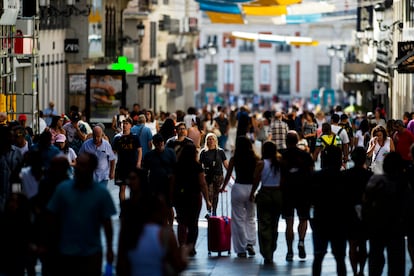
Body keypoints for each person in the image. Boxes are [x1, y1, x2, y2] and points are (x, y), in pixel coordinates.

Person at [47, 152, 116, 276]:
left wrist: (110, 248)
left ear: (92, 168)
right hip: (66, 252)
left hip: (91, 253)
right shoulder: (63, 189)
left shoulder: (101, 193)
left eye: (83, 165)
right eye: (78, 164)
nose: (78, 168)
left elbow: (107, 223)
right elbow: (51, 218)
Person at [117, 170, 188, 276]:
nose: (130, 182)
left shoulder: (154, 201)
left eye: (133, 178)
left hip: (153, 241)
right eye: (129, 179)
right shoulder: (127, 206)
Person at [363, 152, 408, 276]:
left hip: (376, 226)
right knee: (397, 262)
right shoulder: (404, 183)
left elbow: (366, 202)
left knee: (375, 260)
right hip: (397, 228)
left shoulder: (375, 180)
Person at [310, 145, 347, 276]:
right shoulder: (345, 178)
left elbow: (310, 199)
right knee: (340, 259)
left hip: (321, 220)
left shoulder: (316, 177)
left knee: (318, 257)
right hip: (339, 222)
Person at [221, 136, 259, 257]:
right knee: (251, 217)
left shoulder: (234, 158)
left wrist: (223, 187)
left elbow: (228, 175)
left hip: (238, 188)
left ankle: (241, 249)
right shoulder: (255, 159)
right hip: (251, 188)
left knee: (238, 219)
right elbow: (257, 176)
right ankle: (250, 243)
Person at [173, 144, 211, 256]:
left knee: (182, 221)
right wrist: (207, 200)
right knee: (193, 223)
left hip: (180, 196)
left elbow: (173, 182)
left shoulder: (177, 165)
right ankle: (191, 246)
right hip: (194, 196)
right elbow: (203, 184)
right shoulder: (197, 166)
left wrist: (172, 196)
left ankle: (181, 245)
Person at [281, 130, 314, 261]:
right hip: (303, 192)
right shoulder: (305, 155)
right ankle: (301, 241)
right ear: (297, 140)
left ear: (286, 141)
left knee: (289, 222)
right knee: (303, 219)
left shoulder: (282, 156)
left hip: (287, 192)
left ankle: (289, 251)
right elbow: (312, 175)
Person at [250, 141, 282, 264]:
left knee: (264, 224)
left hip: (265, 194)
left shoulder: (261, 164)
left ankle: (266, 251)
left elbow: (256, 180)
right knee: (275, 224)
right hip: (278, 194)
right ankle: (272, 248)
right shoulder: (280, 163)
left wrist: (252, 193)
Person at [342, 147, 373, 276]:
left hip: (350, 213)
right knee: (363, 244)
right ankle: (361, 270)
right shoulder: (370, 176)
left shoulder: (345, 175)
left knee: (353, 244)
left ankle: (355, 271)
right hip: (366, 213)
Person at [143, 133, 177, 225]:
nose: (159, 145)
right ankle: (163, 224)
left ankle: (170, 225)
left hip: (168, 184)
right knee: (157, 206)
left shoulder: (170, 152)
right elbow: (144, 170)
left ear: (163, 142)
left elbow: (175, 167)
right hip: (155, 185)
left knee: (169, 206)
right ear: (154, 143)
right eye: (157, 143)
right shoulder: (149, 155)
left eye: (161, 142)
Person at [112, 117, 142, 202]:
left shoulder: (135, 137)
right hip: (121, 166)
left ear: (131, 126)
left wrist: (139, 162)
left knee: (134, 188)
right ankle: (123, 209)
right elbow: (112, 153)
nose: (124, 125)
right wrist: (112, 168)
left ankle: (133, 208)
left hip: (132, 166)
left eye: (126, 123)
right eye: (123, 123)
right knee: (122, 188)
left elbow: (139, 150)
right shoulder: (117, 138)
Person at [199, 133, 229, 216]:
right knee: (209, 194)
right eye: (209, 139)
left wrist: (231, 174)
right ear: (206, 141)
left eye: (212, 139)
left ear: (215, 140)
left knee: (215, 195)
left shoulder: (220, 151)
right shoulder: (203, 152)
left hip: (218, 176)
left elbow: (226, 164)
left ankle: (214, 211)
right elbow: (199, 165)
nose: (211, 141)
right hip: (208, 176)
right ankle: (209, 210)